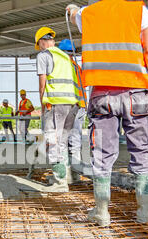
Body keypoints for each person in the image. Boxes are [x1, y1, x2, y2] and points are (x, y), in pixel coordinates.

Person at [67, 0, 148, 226]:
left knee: (102, 153)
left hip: (102, 94)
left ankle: (102, 212)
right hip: (136, 94)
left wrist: (73, 9)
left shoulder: (88, 13)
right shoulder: (139, 11)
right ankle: (144, 211)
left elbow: (74, 15)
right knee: (142, 151)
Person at [35, 26, 81, 192]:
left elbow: (42, 83)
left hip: (55, 103)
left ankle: (59, 183)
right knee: (62, 142)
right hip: (72, 104)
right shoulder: (66, 57)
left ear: (41, 42)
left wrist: (42, 105)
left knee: (52, 141)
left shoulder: (44, 55)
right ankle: (65, 178)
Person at [58, 39, 87, 184]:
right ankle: (75, 174)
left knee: (65, 139)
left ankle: (67, 176)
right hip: (79, 105)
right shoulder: (76, 65)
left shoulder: (65, 66)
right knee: (74, 140)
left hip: (72, 106)